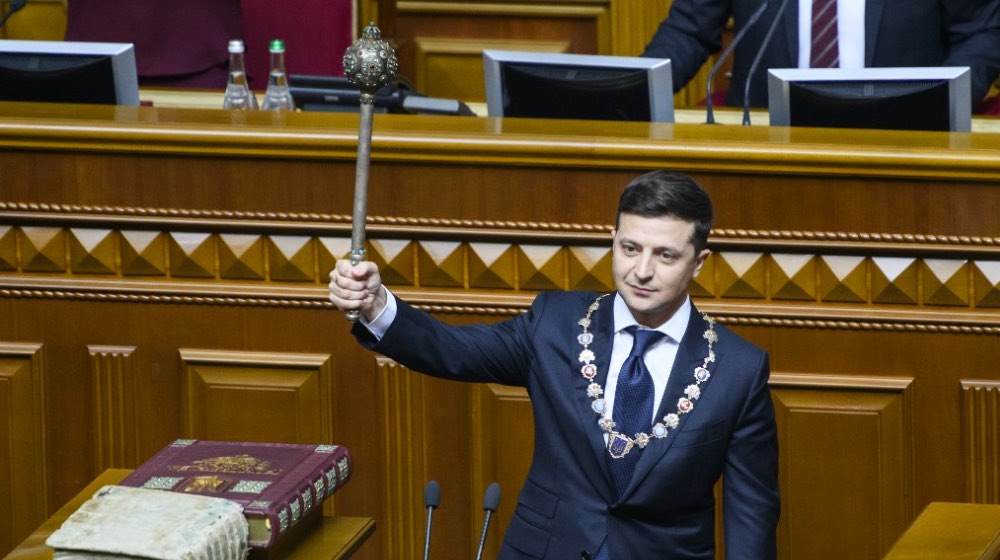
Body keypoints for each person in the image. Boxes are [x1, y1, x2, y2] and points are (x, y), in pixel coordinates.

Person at [328, 170, 780, 559]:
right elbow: (453, 349)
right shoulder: (556, 323)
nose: (641, 271)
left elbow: (752, 518)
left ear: (698, 262)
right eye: (629, 248)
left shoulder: (738, 370)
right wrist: (376, 306)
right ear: (613, 241)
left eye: (665, 255)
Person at [642, 0, 1000, 109]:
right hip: (765, 145)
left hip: (901, 139)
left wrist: (938, 105)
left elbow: (981, 33)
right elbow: (689, 29)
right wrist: (634, 90)